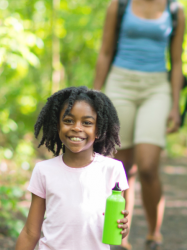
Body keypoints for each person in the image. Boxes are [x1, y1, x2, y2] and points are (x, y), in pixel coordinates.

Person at [93, 0, 186, 248]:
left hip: (157, 87)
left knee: (147, 166)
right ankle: (122, 237)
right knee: (121, 168)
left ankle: (154, 233)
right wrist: (93, 98)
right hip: (120, 83)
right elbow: (105, 51)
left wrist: (175, 105)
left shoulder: (175, 9)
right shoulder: (119, 2)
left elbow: (177, 60)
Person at [15, 86, 130, 250]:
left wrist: (122, 229)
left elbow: (113, 231)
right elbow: (30, 232)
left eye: (87, 123)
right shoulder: (44, 170)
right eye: (68, 120)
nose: (77, 127)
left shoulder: (112, 169)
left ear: (98, 129)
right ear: (57, 125)